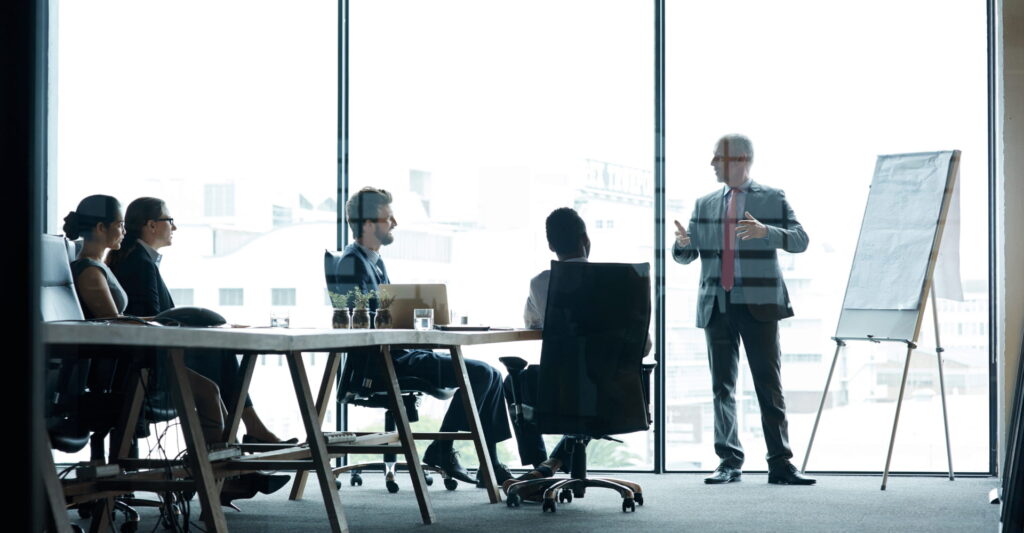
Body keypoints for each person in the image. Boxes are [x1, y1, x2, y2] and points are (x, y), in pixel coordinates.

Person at [325, 186, 513, 486]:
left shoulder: (373, 261)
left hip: (399, 354)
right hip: (385, 362)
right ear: (370, 223)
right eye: (389, 218)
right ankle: (447, 449)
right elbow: (358, 324)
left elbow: (383, 313)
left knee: (489, 374)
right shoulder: (352, 263)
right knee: (481, 374)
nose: (395, 223)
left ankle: (482, 461)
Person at [673, 134, 815, 485]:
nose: (711, 164)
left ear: (739, 159)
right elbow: (686, 256)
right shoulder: (704, 203)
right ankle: (729, 461)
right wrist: (682, 245)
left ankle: (780, 464)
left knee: (769, 385)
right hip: (716, 305)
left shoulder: (772, 197)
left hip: (759, 306)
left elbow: (801, 240)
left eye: (716, 159)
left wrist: (767, 231)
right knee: (722, 387)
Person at [106, 197, 288, 445]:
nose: (174, 227)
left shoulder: (139, 259)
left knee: (221, 355)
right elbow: (155, 321)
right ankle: (249, 434)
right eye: (169, 220)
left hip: (154, 357)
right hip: (152, 364)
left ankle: (243, 441)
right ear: (151, 225)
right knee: (221, 356)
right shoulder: (140, 263)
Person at [62, 195, 225, 445]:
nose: (124, 230)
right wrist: (165, 322)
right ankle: (219, 474)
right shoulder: (90, 271)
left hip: (130, 366)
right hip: (127, 371)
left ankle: (230, 470)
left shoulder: (99, 266)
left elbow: (121, 319)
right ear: (100, 228)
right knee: (209, 391)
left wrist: (169, 320)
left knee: (211, 388)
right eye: (119, 224)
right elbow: (112, 325)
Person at [511, 207, 651, 483]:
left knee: (515, 382)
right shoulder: (624, 281)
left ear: (551, 246)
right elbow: (643, 348)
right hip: (616, 389)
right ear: (586, 240)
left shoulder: (540, 283)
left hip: (560, 388)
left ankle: (542, 466)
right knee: (592, 392)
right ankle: (550, 464)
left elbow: (532, 323)